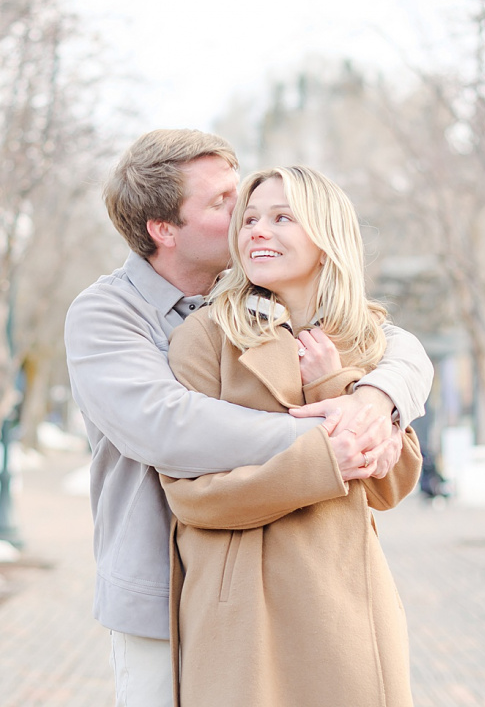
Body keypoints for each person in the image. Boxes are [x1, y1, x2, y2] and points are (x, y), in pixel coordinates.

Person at [65, 130, 433, 707]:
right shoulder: (110, 314)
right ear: (164, 230)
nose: (248, 219)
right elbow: (169, 425)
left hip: (306, 590)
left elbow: (396, 346)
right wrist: (331, 439)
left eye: (254, 203)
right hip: (165, 592)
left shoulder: (263, 298)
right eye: (224, 204)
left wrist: (375, 400)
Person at [161, 165, 420, 707]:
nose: (257, 230)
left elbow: (391, 486)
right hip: (243, 609)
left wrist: (336, 384)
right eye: (249, 218)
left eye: (283, 218)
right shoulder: (205, 337)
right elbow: (189, 495)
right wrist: (320, 464)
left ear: (325, 238)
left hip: (346, 602)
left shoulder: (367, 339)